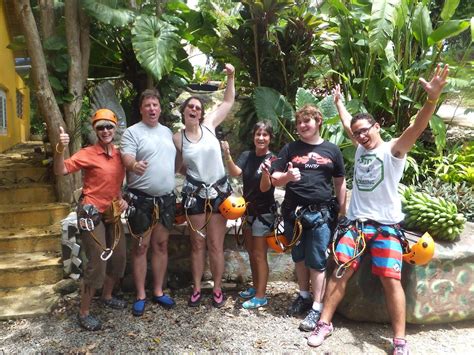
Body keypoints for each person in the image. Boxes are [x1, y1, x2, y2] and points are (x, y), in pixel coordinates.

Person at [307, 64, 449, 354]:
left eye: (365, 130)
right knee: (340, 271)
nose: (360, 136)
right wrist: (338, 103)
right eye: (357, 133)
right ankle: (324, 323)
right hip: (358, 224)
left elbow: (417, 127)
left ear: (377, 127)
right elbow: (349, 124)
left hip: (386, 226)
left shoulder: (393, 150)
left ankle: (399, 341)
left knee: (390, 279)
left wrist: (432, 100)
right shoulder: (360, 146)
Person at [271, 105, 347, 332]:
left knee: (317, 260)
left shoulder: (332, 150)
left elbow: (339, 182)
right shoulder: (290, 148)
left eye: (307, 121)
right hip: (293, 211)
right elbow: (274, 178)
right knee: (299, 256)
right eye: (300, 123)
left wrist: (342, 212)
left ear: (318, 121)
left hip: (320, 213)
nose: (303, 126)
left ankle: (316, 306)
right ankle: (304, 295)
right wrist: (287, 175)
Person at [54, 109, 128, 331]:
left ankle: (106, 296)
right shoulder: (88, 153)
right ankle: (84, 312)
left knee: (120, 257)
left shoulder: (120, 155)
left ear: (115, 128)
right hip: (91, 212)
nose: (105, 131)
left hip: (112, 212)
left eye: (109, 126)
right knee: (97, 260)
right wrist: (60, 148)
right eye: (100, 127)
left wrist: (123, 199)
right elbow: (60, 170)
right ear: (95, 130)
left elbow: (116, 183)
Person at [173, 63, 235, 308]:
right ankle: (197, 288)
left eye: (198, 107)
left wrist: (231, 77)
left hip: (219, 193)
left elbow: (228, 102)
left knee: (215, 244)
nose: (194, 110)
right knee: (197, 243)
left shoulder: (210, 125)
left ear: (201, 113)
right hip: (195, 195)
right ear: (184, 111)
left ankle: (217, 288)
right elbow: (176, 166)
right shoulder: (178, 138)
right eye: (190, 106)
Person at [121, 89, 177, 316]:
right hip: (141, 200)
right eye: (147, 105)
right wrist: (133, 166)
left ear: (160, 109)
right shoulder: (132, 133)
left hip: (166, 200)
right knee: (141, 247)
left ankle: (158, 290)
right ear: (141, 109)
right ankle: (140, 294)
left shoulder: (167, 132)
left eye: (155, 104)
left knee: (161, 245)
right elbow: (126, 157)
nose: (152, 109)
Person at [221, 121, 275, 309]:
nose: (261, 138)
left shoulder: (272, 160)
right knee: (252, 252)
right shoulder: (247, 155)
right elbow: (236, 172)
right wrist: (227, 155)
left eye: (265, 135)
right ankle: (255, 287)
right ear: (253, 137)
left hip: (264, 212)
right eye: (258, 134)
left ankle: (261, 295)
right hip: (248, 211)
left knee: (260, 254)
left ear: (270, 138)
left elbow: (264, 187)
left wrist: (267, 174)